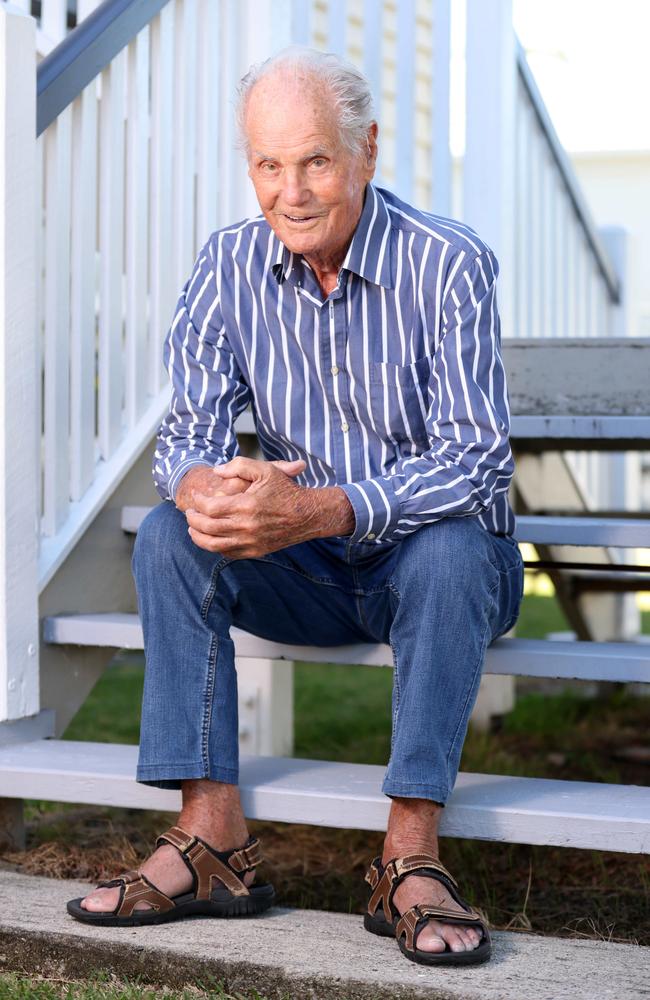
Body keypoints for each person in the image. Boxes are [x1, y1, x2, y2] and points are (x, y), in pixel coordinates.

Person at [67, 47, 523, 967]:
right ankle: (210, 838)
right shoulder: (228, 266)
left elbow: (476, 464)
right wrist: (203, 486)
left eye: (315, 159)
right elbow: (185, 441)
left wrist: (319, 508)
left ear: (368, 150)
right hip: (306, 574)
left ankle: (410, 856)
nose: (292, 191)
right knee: (169, 535)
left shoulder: (449, 263)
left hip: (431, 567)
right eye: (268, 165)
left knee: (452, 550)